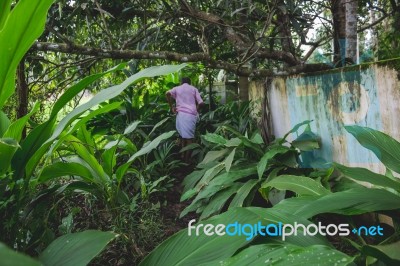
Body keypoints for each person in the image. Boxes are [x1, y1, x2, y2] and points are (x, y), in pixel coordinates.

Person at [166, 77, 204, 162]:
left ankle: (183, 157)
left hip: (181, 115)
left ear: (181, 82)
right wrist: (196, 109)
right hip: (190, 116)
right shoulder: (194, 89)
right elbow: (201, 103)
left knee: (183, 136)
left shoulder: (177, 88)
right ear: (190, 83)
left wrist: (171, 107)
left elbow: (167, 94)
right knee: (189, 139)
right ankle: (186, 159)